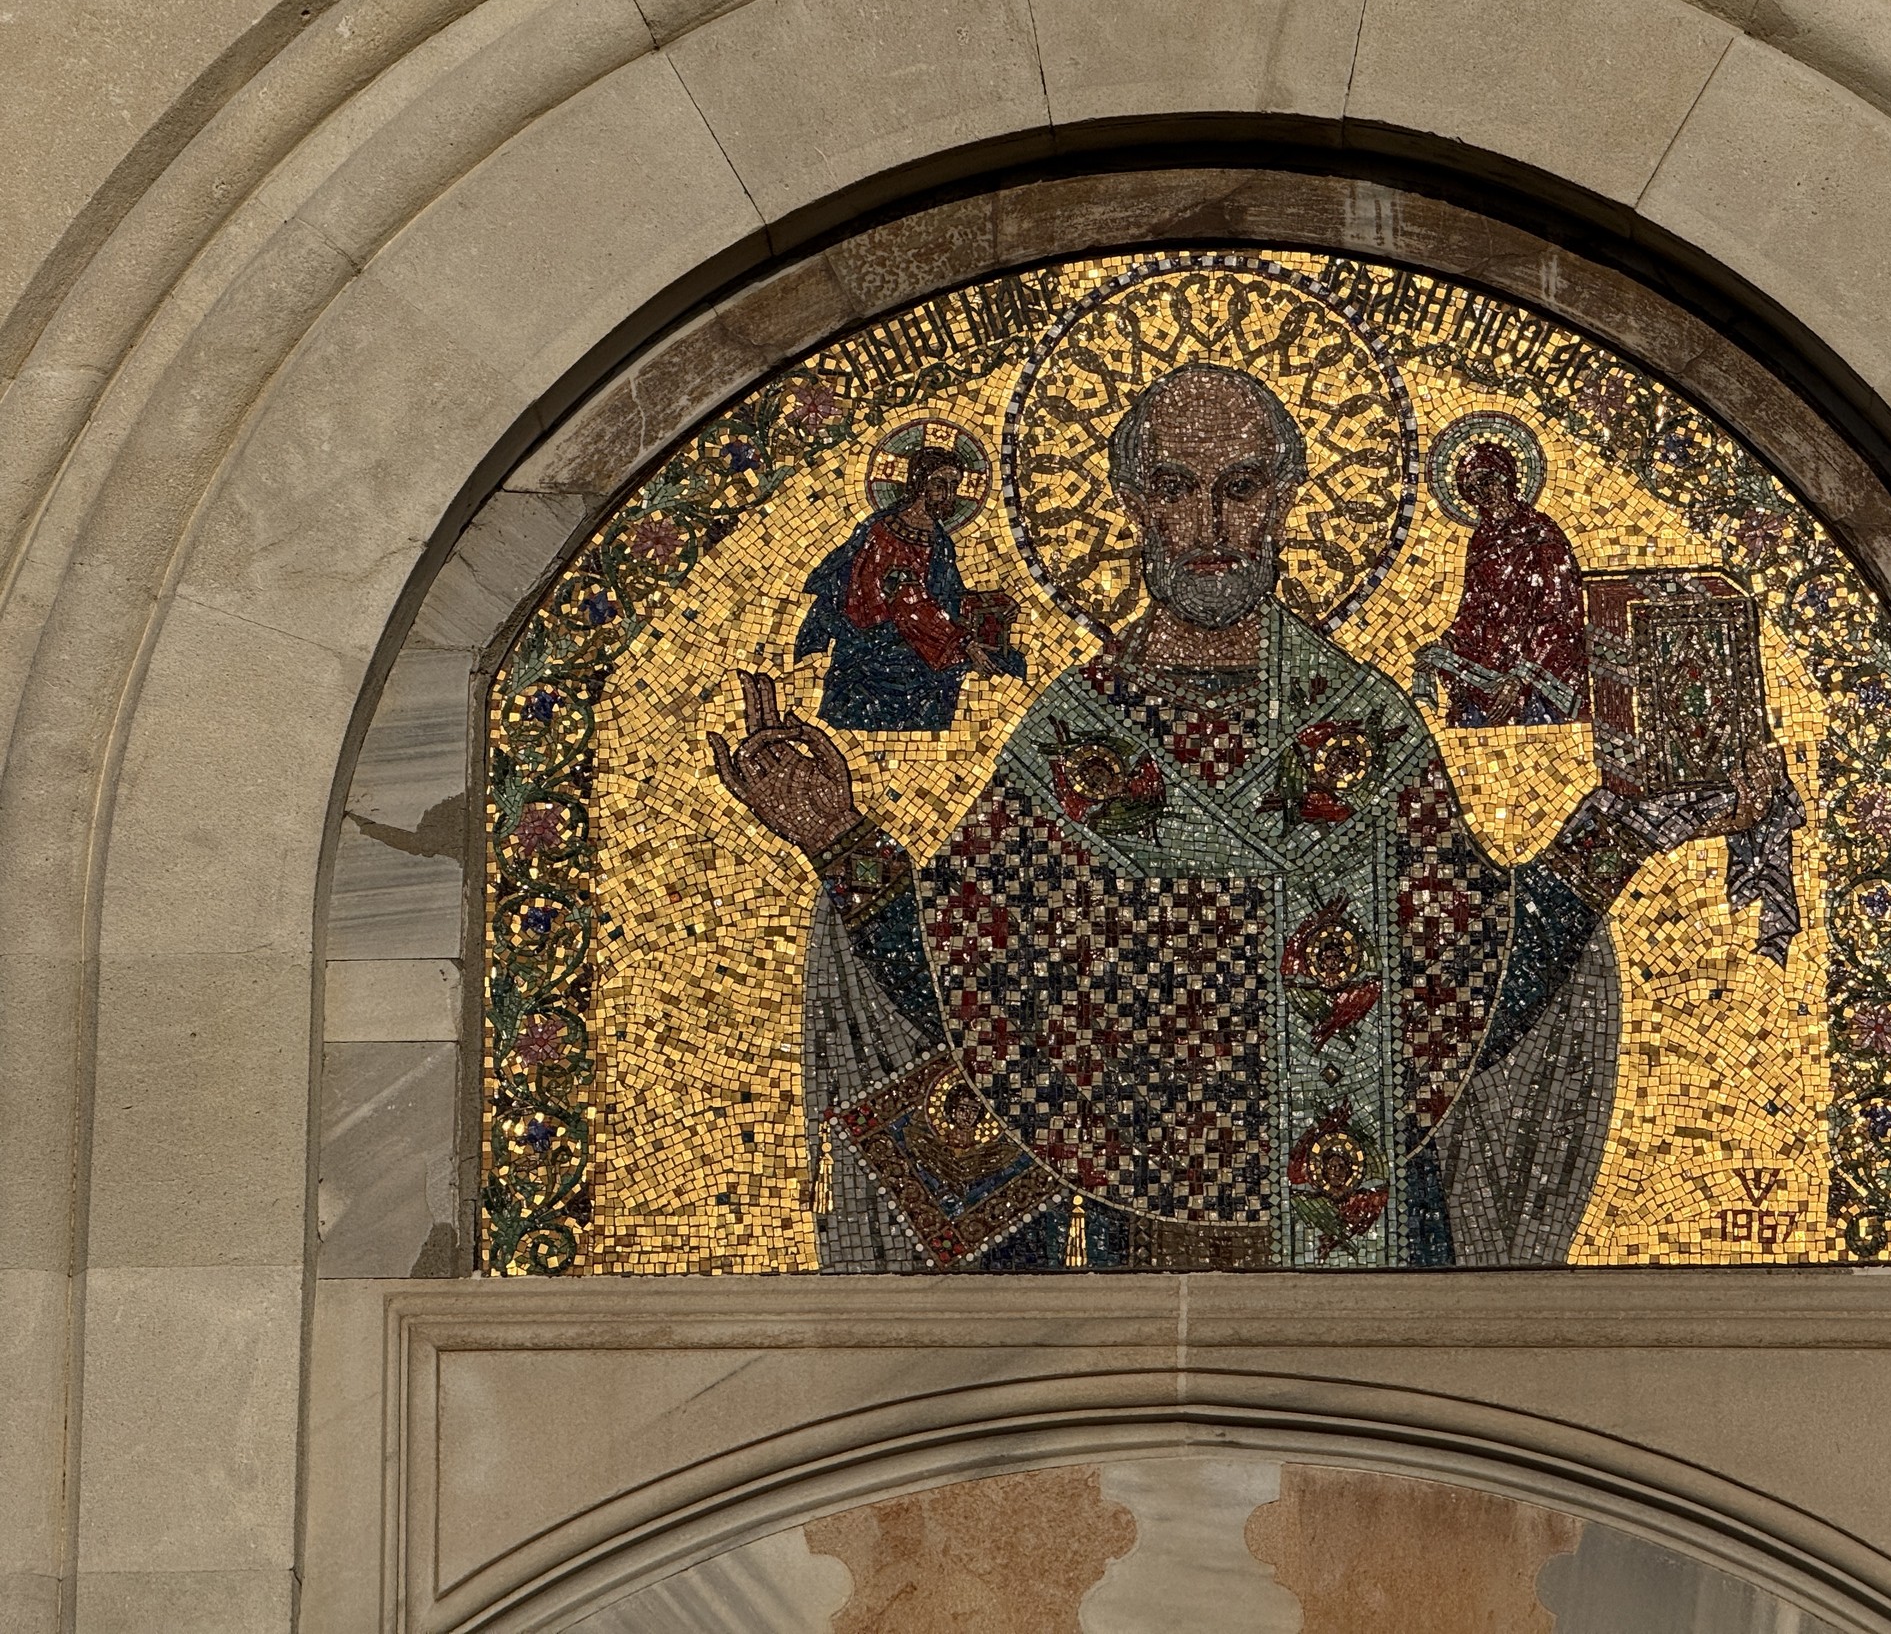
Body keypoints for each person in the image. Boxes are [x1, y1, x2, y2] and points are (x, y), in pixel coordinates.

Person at [713, 365, 1764, 1273]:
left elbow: (1474, 980)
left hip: (1362, 1254)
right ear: (1132, 504)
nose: (1209, 525)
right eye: (1176, 488)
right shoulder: (1068, 741)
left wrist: (1624, 825)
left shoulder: (1367, 729)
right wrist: (837, 837)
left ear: (1285, 500)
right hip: (1117, 1255)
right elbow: (962, 987)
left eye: (1240, 487)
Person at [793, 445, 1022, 732]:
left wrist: (991, 604)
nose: (948, 495)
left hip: (922, 643)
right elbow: (908, 602)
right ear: (919, 484)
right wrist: (964, 644)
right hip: (875, 656)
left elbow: (945, 598)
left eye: (954, 486)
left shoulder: (939, 541)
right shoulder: (885, 534)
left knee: (1009, 662)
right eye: (939, 484)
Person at [1416, 437, 1591, 727]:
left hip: (1537, 664)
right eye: (1471, 490)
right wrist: (1448, 643)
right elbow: (1474, 609)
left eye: (1486, 482)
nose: (1481, 494)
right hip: (1492, 660)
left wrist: (1522, 676)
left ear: (1505, 477)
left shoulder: (1542, 534)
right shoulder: (1481, 541)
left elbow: (1557, 614)